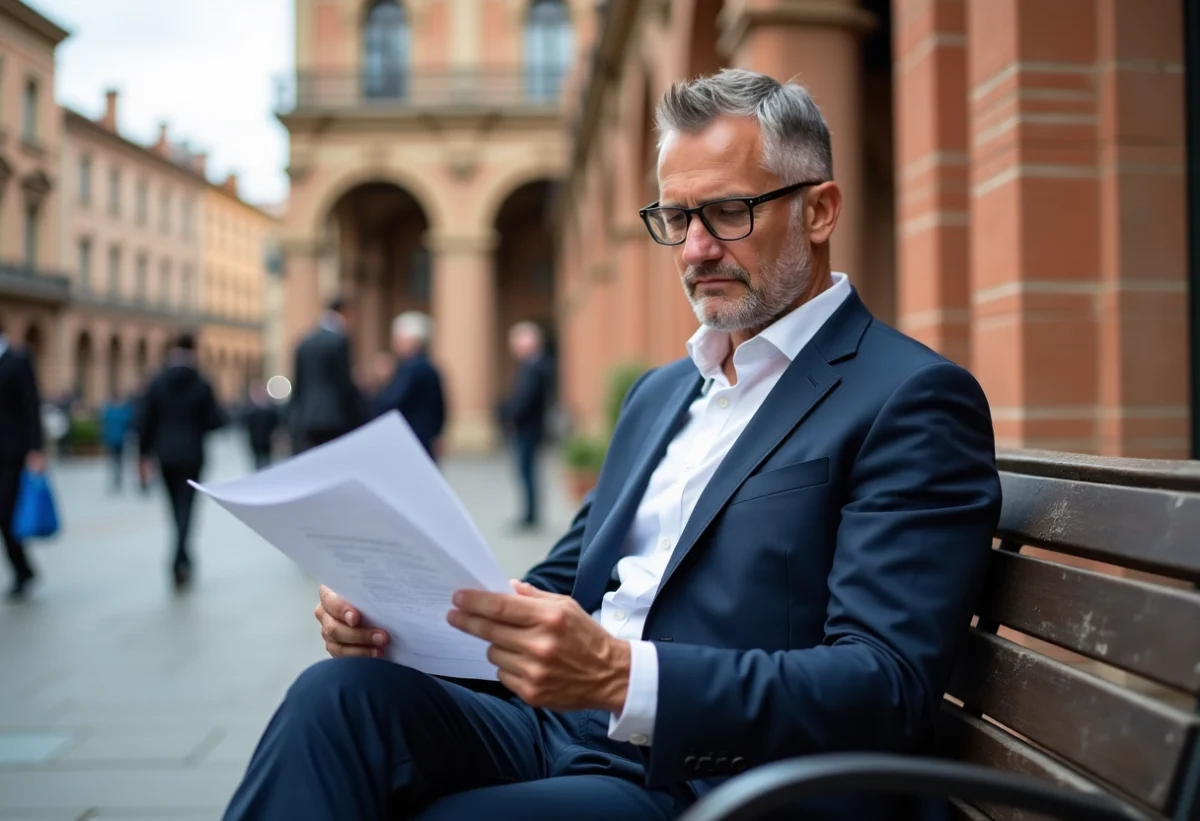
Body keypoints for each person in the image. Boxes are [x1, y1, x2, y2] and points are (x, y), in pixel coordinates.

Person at [221, 69, 1003, 821]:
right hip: (558, 729)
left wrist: (626, 675)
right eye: (676, 218)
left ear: (821, 210)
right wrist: (399, 614)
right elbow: (560, 579)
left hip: (712, 782)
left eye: (729, 211)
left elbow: (885, 683)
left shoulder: (909, 397)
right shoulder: (661, 393)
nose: (695, 249)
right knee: (335, 700)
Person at [137, 332, 226, 588]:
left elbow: (145, 421)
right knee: (187, 507)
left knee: (173, 507)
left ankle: (180, 556)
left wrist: (142, 455)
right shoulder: (201, 382)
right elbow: (215, 421)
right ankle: (180, 558)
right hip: (192, 454)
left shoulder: (157, 381)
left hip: (164, 454)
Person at [0, 328, 46, 600]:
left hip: (12, 453)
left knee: (5, 513)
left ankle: (22, 569)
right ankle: (24, 569)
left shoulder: (18, 361)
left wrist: (36, 449)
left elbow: (31, 406)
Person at [288, 295, 365, 454]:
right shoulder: (339, 340)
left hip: (307, 416)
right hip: (334, 417)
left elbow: (299, 384)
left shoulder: (304, 342)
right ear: (345, 312)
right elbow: (343, 382)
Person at [371, 311, 446, 461]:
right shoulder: (430, 367)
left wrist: (383, 382)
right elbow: (441, 406)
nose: (395, 344)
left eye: (399, 339)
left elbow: (392, 401)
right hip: (425, 435)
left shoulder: (411, 368)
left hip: (411, 436)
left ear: (413, 341)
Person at [499, 321, 553, 529]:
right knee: (524, 471)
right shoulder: (529, 365)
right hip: (527, 426)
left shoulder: (536, 366)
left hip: (530, 427)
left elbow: (527, 399)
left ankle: (530, 516)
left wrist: (511, 415)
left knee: (527, 471)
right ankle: (528, 514)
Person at [100, 391, 135, 491]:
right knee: (117, 461)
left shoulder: (110, 410)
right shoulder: (122, 410)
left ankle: (116, 479)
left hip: (115, 439)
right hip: (117, 439)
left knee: (115, 460)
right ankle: (117, 479)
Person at [243, 383, 280, 471]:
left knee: (266, 463)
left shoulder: (269, 412)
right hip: (256, 444)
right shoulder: (251, 412)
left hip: (265, 444)